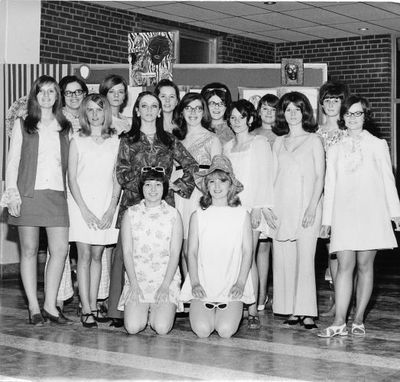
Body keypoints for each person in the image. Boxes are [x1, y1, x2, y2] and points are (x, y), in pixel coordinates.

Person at [107, 91, 198, 328]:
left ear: (160, 111)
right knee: (128, 253)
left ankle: (161, 302)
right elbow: (121, 172)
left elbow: (191, 165)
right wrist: (143, 183)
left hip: (163, 204)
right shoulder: (127, 139)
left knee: (165, 251)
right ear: (137, 110)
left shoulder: (169, 140)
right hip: (133, 204)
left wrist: (177, 185)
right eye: (144, 106)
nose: (149, 110)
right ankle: (125, 309)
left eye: (154, 106)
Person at [318, 95, 400, 338]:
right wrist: (327, 220)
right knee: (344, 266)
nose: (352, 118)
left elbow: (388, 181)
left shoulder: (378, 144)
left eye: (358, 113)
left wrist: (396, 213)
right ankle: (339, 321)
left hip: (371, 212)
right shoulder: (334, 148)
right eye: (348, 114)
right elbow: (330, 185)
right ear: (342, 117)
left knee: (365, 266)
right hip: (343, 213)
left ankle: (359, 317)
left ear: (365, 116)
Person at [1, 75, 71, 325]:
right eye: (41, 91)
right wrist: (12, 195)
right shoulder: (23, 125)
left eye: (51, 91)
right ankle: (34, 307)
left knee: (60, 250)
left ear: (56, 96)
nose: (46, 95)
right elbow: (13, 163)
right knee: (29, 251)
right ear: (35, 95)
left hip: (57, 195)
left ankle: (51, 304)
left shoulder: (65, 127)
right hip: (28, 194)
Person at [265, 91, 325, 329]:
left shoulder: (314, 140)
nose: (292, 114)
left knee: (305, 260)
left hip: (307, 207)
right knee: (284, 259)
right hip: (282, 206)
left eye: (296, 109)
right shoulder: (279, 142)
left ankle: (307, 312)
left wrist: (312, 207)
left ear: (304, 112)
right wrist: (269, 207)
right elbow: (272, 177)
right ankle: (290, 309)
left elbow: (320, 176)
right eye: (288, 109)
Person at [180, 155, 254, 338]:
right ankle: (205, 309)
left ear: (230, 185)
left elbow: (247, 252)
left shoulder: (242, 214)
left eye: (222, 181)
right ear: (206, 186)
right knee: (202, 331)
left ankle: (234, 311)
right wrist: (195, 282)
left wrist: (241, 282)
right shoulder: (198, 215)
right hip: (203, 283)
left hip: (231, 283)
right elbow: (192, 252)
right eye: (211, 181)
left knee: (225, 331)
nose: (217, 186)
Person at [68, 94, 120, 327]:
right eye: (90, 110)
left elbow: (117, 177)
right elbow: (72, 179)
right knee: (84, 255)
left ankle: (95, 302)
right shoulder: (77, 140)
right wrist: (84, 210)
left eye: (99, 109)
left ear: (106, 112)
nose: (95, 114)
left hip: (105, 204)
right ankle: (86, 307)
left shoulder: (115, 141)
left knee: (98, 256)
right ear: (85, 114)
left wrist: (111, 208)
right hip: (81, 205)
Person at [224, 99, 273, 329]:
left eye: (240, 117)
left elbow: (265, 176)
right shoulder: (227, 147)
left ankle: (252, 308)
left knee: (248, 257)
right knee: (234, 258)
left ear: (250, 119)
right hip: (231, 210)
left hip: (251, 208)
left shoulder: (260, 142)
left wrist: (258, 207)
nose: (236, 122)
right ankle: (238, 305)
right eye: (232, 118)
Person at [118, 167, 183, 334]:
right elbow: (127, 252)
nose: (153, 189)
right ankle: (144, 309)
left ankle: (157, 310)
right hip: (138, 279)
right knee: (132, 328)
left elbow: (175, 253)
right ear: (141, 188)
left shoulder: (173, 214)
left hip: (164, 279)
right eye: (148, 185)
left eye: (158, 184)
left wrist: (165, 285)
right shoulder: (130, 214)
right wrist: (133, 284)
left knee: (161, 328)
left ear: (164, 188)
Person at [173, 92, 222, 274]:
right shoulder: (176, 138)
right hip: (179, 196)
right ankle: (188, 291)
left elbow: (218, 172)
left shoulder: (212, 139)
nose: (193, 113)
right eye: (188, 108)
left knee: (199, 246)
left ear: (204, 112)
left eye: (198, 108)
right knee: (183, 248)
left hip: (201, 195)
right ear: (182, 111)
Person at [316, 80, 350, 318]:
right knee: (331, 251)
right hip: (322, 198)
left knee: (344, 251)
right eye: (327, 99)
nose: (331, 104)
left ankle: (344, 303)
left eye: (335, 100)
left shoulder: (348, 132)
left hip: (344, 198)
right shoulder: (315, 133)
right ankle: (338, 301)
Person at [250, 93, 279, 310]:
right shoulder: (251, 135)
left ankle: (278, 294)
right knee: (258, 247)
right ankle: (258, 295)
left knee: (276, 248)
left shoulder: (284, 134)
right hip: (256, 196)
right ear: (258, 111)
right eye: (265, 108)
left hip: (278, 195)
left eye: (273, 109)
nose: (269, 113)